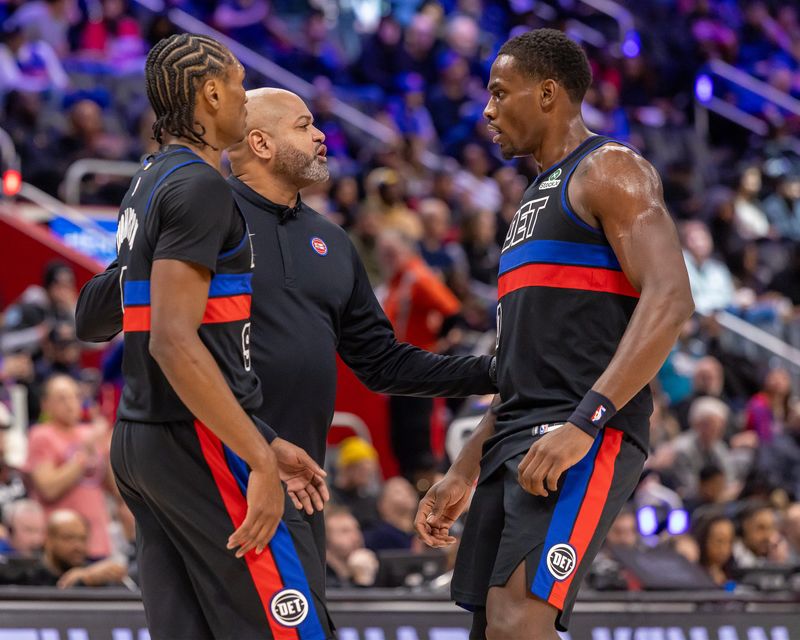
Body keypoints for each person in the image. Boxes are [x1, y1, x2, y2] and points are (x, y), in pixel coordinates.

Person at [76, 86, 497, 564]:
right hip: (208, 474)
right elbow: (91, 318)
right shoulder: (200, 215)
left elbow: (383, 363)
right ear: (260, 143)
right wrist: (158, 253)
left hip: (297, 484)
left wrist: (492, 372)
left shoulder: (332, 241)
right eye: (304, 125)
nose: (321, 136)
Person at [414, 29, 694, 638]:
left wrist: (584, 425)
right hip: (516, 434)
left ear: (547, 94)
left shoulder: (609, 170)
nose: (486, 109)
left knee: (520, 621)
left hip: (584, 431)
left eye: (499, 92)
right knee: (492, 627)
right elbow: (525, 362)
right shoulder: (525, 209)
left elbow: (671, 298)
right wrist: (467, 462)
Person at [79, 34, 334, 639]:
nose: (245, 99)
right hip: (197, 441)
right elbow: (173, 341)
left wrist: (266, 440)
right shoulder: (202, 187)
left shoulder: (148, 181)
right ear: (211, 92)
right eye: (240, 83)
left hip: (144, 439)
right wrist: (256, 457)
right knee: (296, 631)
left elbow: (96, 316)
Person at [693, 513, 736, 587]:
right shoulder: (690, 573)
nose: (725, 548)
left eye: (730, 541)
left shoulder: (735, 573)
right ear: (703, 540)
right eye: (719, 541)